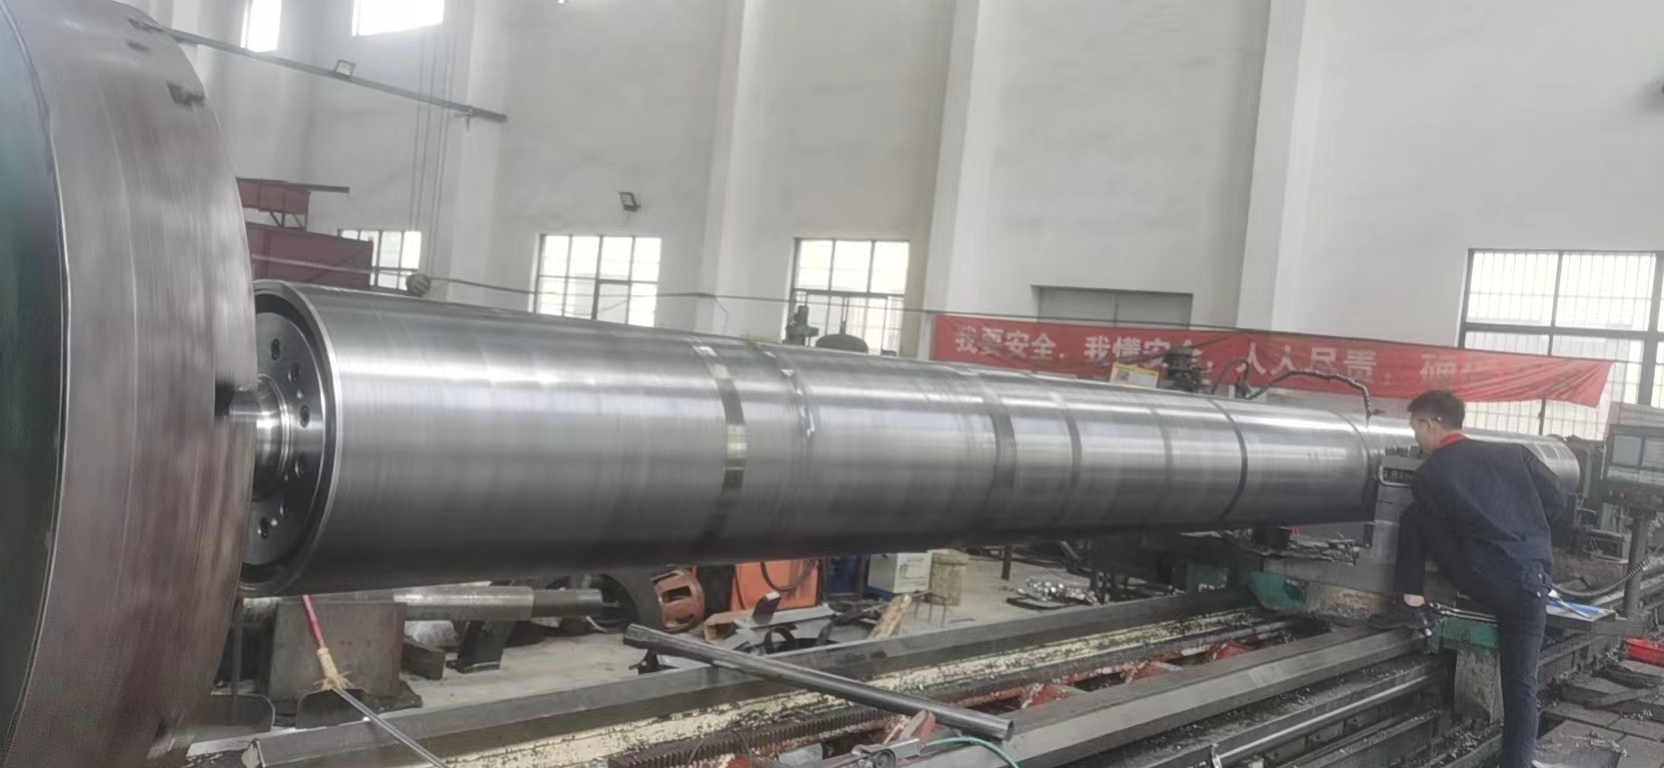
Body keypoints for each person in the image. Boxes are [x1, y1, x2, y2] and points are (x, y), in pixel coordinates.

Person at [1393, 390, 1564, 768]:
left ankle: (1411, 601)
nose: (1416, 437)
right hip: (1533, 579)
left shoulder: (1430, 474)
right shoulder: (1515, 454)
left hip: (1484, 578)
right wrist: (1526, 532)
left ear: (1431, 424)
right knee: (1521, 684)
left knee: (1414, 517)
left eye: (1416, 428)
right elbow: (1557, 499)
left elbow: (1435, 527)